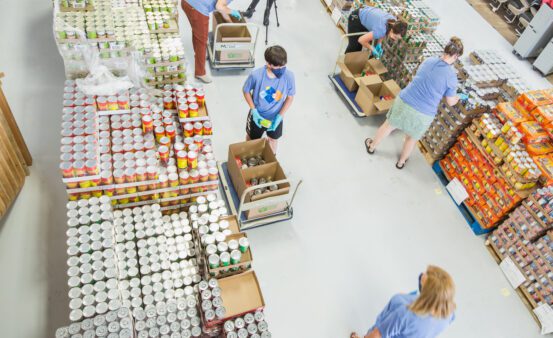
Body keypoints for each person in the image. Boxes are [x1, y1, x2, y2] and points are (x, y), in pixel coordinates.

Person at [364, 37, 465, 169]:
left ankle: (372, 146)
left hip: (405, 100)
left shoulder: (429, 60)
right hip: (424, 112)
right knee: (411, 138)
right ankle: (401, 162)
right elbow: (450, 102)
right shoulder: (451, 76)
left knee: (388, 125)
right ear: (456, 56)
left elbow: (420, 77)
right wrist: (458, 97)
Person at [350, 265, 456, 338]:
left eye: (425, 277)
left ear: (427, 295)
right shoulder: (449, 313)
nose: (423, 275)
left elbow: (378, 334)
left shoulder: (404, 312)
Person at [243, 46, 295, 154]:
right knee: (252, 140)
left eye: (283, 65)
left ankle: (271, 159)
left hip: (276, 116)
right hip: (258, 115)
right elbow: (246, 91)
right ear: (268, 64)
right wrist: (254, 111)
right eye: (278, 67)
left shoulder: (289, 76)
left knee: (273, 139)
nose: (282, 69)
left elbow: (290, 97)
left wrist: (280, 116)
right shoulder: (256, 75)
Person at [181, 0, 242, 83]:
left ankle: (199, 56)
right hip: (197, 8)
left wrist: (230, 22)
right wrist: (232, 11)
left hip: (187, 3)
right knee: (202, 41)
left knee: (197, 34)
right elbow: (219, 6)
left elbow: (222, 7)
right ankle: (200, 73)